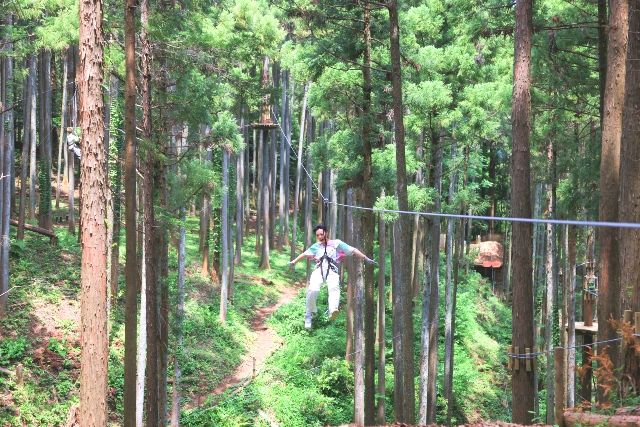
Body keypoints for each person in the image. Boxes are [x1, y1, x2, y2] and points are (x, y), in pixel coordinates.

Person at [289, 224, 376, 330]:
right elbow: (304, 254)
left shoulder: (337, 243)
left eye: (321, 234)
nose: (320, 236)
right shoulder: (316, 246)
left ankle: (332, 309)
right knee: (312, 289)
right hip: (319, 270)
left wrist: (366, 258)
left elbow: (353, 250)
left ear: (326, 233)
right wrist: (294, 261)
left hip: (332, 270)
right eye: (318, 235)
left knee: (334, 288)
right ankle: (309, 313)